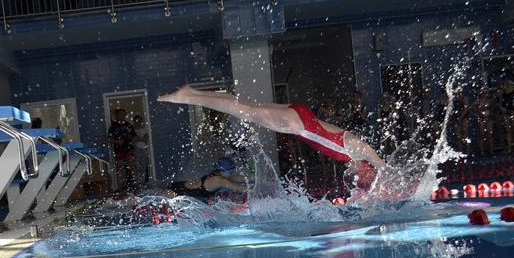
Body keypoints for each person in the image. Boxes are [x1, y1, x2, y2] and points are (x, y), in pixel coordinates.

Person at [159, 86, 385, 189]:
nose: (354, 175)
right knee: (244, 111)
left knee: (245, 106)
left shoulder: (351, 155)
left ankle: (194, 92)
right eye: (362, 177)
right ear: (367, 170)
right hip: (298, 124)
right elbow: (380, 162)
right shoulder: (358, 150)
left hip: (302, 117)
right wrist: (384, 172)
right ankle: (187, 97)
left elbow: (327, 128)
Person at [169, 157, 247, 200]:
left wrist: (252, 178)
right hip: (177, 191)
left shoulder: (217, 174)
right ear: (222, 171)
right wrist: (252, 190)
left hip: (180, 186)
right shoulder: (218, 180)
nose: (231, 173)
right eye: (230, 172)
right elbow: (238, 188)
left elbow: (237, 178)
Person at [107, 109, 137, 192]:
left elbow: (134, 137)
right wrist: (117, 141)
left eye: (124, 114)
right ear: (117, 115)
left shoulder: (128, 125)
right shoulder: (113, 127)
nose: (123, 116)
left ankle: (136, 184)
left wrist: (132, 141)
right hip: (119, 149)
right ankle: (121, 186)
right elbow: (110, 139)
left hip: (129, 148)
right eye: (121, 114)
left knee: (132, 165)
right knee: (120, 168)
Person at [498, 77, 514, 154]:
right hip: (506, 112)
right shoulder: (502, 91)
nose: (507, 82)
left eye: (508, 80)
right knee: (508, 131)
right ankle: (509, 148)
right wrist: (502, 109)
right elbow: (500, 104)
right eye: (506, 80)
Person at [132, 114, 151, 185]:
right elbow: (132, 140)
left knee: (143, 164)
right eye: (137, 121)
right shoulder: (133, 129)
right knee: (136, 163)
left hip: (143, 148)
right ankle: (138, 180)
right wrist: (139, 138)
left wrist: (139, 138)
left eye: (139, 121)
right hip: (135, 148)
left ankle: (142, 181)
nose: (138, 122)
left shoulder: (144, 129)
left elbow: (146, 138)